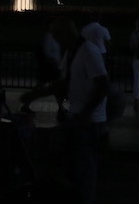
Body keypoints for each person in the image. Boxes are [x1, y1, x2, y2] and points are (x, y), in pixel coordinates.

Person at [20, 16, 109, 204]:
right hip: (78, 117)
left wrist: (85, 114)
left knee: (84, 167)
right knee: (75, 165)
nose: (55, 39)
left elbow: (102, 84)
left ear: (67, 32)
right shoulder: (73, 51)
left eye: (57, 34)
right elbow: (66, 84)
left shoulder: (87, 51)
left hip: (88, 121)